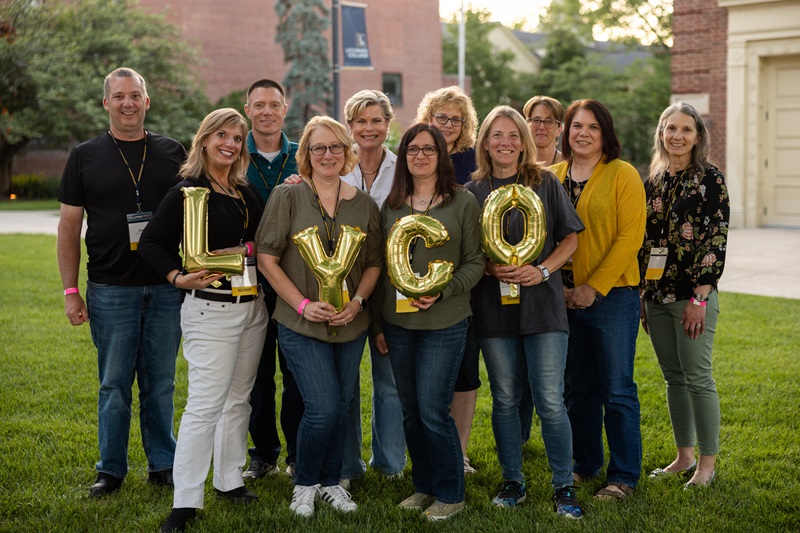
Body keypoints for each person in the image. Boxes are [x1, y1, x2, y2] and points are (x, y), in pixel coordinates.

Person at [57, 67, 185, 498]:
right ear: (106, 103)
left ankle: (163, 464)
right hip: (110, 288)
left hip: (167, 286)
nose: (127, 103)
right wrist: (71, 291)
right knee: (114, 384)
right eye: (119, 97)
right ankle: (110, 469)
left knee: (161, 382)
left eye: (135, 96)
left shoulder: (172, 152)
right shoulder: (84, 155)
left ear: (147, 101)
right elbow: (68, 227)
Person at [138, 108, 268, 532]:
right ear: (205, 140)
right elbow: (152, 243)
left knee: (238, 399)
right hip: (210, 309)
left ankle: (230, 480)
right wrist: (177, 275)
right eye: (222, 136)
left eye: (237, 137)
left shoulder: (244, 191)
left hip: (252, 308)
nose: (230, 144)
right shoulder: (186, 192)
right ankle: (185, 501)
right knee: (204, 406)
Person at [256, 116, 383, 517]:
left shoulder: (364, 204)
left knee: (342, 404)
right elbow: (266, 258)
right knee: (323, 406)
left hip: (351, 323)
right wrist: (302, 304)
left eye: (334, 147)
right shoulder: (287, 196)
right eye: (318, 148)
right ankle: (305, 484)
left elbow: (375, 263)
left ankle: (332, 482)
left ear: (347, 152)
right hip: (299, 322)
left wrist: (358, 302)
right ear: (305, 155)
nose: (327, 155)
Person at [466, 106, 584, 517]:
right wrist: (487, 266)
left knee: (551, 399)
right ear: (484, 141)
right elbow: (466, 253)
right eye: (496, 135)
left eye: (513, 135)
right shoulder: (473, 191)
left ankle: (563, 486)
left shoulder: (545, 182)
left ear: (524, 141)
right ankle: (512, 480)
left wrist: (543, 269)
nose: (505, 142)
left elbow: (570, 238)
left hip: (543, 306)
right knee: (505, 398)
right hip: (493, 308)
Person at [381, 123, 484, 521]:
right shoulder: (391, 206)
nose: (420, 155)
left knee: (432, 409)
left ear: (442, 155)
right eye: (412, 149)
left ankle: (450, 492)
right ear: (404, 156)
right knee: (410, 409)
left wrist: (444, 289)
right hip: (397, 323)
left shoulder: (462, 202)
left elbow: (476, 262)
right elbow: (378, 265)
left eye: (429, 149)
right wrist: (377, 325)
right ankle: (423, 486)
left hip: (447, 319)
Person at [551, 99, 646, 500]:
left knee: (617, 388)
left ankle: (623, 475)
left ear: (605, 133)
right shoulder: (550, 176)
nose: (583, 133)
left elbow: (631, 238)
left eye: (592, 127)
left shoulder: (622, 174)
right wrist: (563, 290)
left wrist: (595, 287)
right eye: (576, 126)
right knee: (578, 387)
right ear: (565, 132)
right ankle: (584, 464)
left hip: (613, 298)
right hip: (563, 298)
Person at [639, 102, 729, 489]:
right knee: (673, 378)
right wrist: (643, 292)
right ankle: (684, 456)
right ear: (661, 133)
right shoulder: (653, 181)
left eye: (686, 130)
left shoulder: (710, 179)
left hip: (692, 295)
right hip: (656, 295)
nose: (678, 136)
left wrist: (700, 298)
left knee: (697, 377)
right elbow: (644, 242)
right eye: (671, 128)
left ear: (698, 136)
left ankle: (706, 466)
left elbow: (715, 239)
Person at [414, 85, 484, 473]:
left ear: (465, 124)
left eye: (455, 119)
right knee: (426, 370)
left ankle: (459, 450)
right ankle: (428, 446)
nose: (447, 125)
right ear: (428, 118)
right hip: (420, 271)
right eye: (440, 117)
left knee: (464, 368)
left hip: (466, 275)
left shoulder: (474, 161)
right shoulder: (415, 154)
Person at [338, 89, 406, 486]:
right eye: (361, 121)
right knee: (345, 384)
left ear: (388, 123)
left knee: (390, 382)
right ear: (350, 126)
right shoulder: (333, 165)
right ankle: (347, 466)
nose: (369, 128)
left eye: (377, 120)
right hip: (342, 288)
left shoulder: (403, 169)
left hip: (391, 289)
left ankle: (390, 464)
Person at [241, 78, 304, 480]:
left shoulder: (305, 156)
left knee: (297, 371)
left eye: (274, 104)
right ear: (248, 109)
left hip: (294, 278)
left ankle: (299, 453)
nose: (266, 111)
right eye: (258, 105)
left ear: (285, 109)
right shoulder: (231, 154)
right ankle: (263, 453)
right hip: (245, 281)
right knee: (256, 374)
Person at [522, 95, 565, 166]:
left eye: (548, 121)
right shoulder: (515, 165)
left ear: (559, 130)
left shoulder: (570, 167)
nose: (541, 127)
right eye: (536, 120)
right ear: (526, 126)